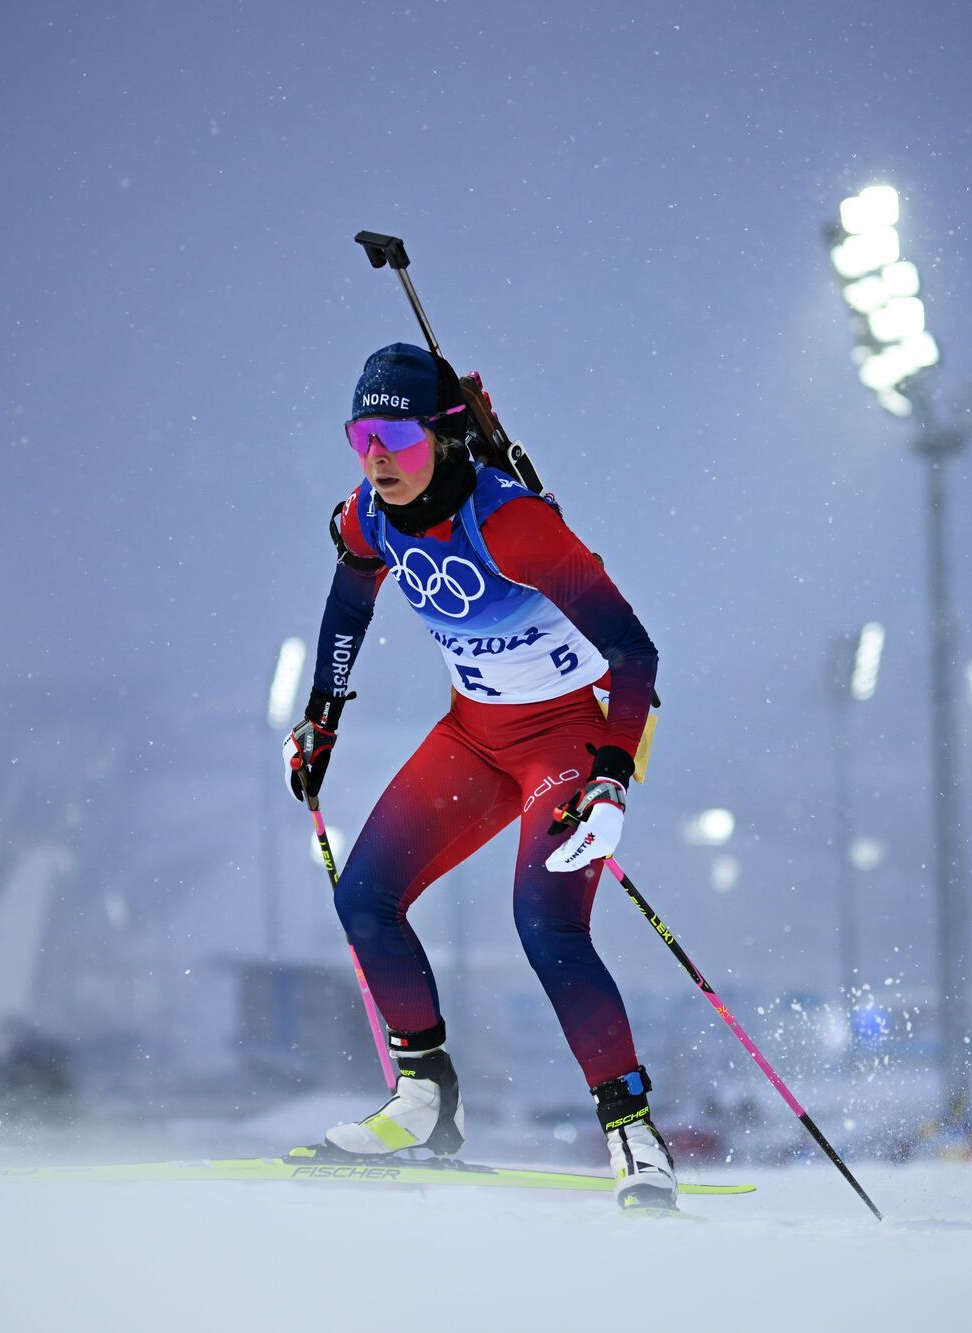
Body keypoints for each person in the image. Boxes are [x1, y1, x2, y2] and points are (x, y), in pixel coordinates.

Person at [283, 344, 672, 1210]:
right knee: (364, 898)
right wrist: (322, 718)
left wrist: (611, 777)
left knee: (544, 922)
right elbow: (351, 598)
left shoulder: (515, 525)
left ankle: (633, 1131)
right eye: (361, 437)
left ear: (448, 438)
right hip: (474, 733)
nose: (378, 458)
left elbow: (635, 651)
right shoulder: (369, 516)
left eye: (398, 437)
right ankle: (423, 1099)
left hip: (567, 736)